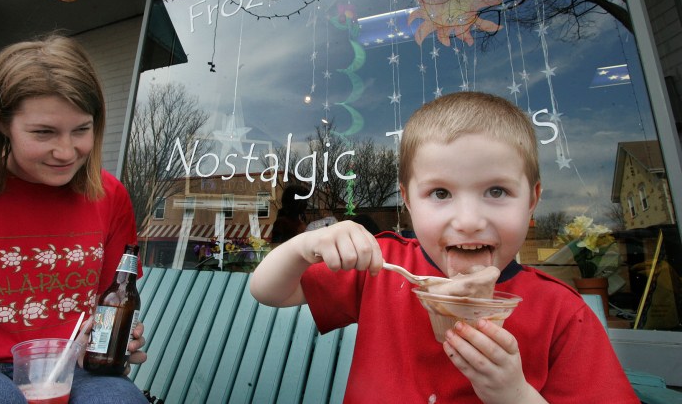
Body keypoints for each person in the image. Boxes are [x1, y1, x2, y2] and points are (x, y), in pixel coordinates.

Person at [251, 91, 639, 403]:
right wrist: (306, 246)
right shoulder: (381, 267)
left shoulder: (562, 314)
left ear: (532, 200)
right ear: (408, 201)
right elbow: (268, 291)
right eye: (440, 193)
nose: (468, 219)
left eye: (497, 191)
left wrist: (515, 395)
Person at [0, 35, 148, 403]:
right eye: (44, 132)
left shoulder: (109, 195)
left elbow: (112, 299)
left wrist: (115, 338)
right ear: (1, 122)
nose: (67, 152)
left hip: (72, 367)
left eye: (82, 130)